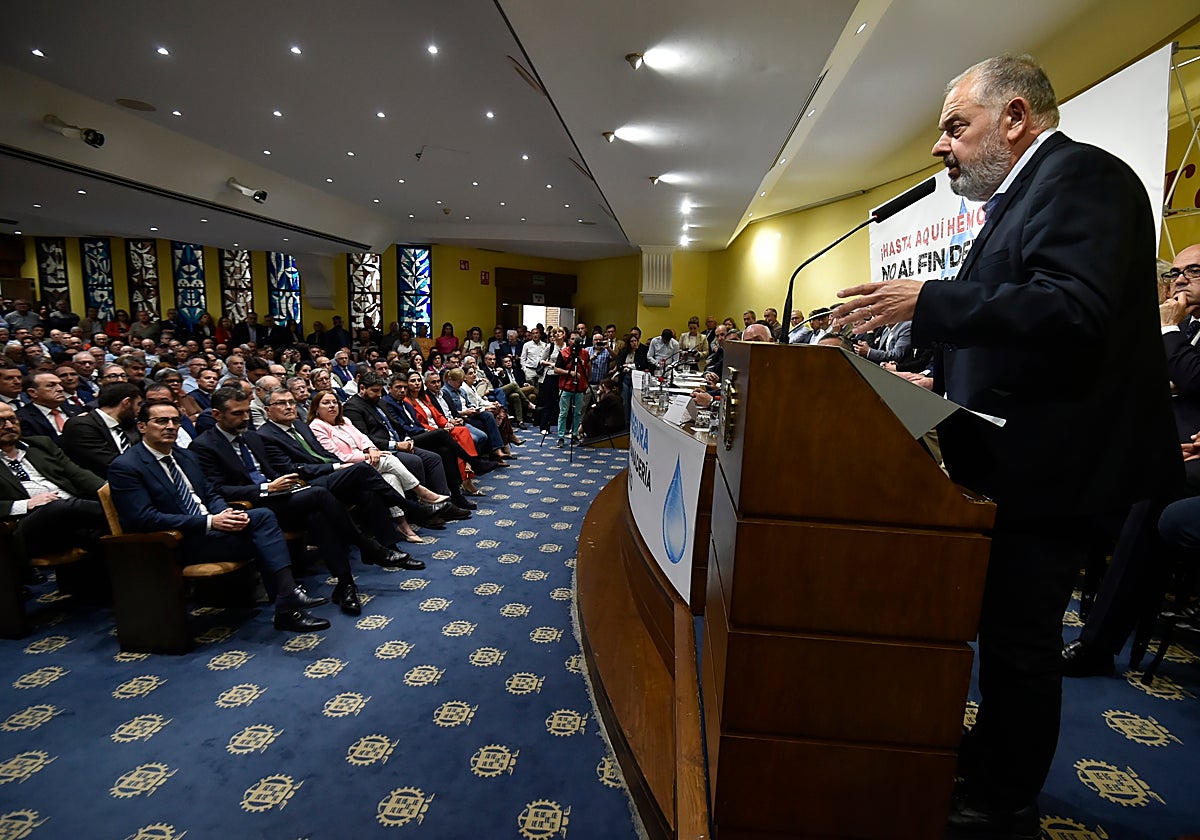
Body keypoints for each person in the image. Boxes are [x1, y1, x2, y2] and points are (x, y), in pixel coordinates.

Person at [832, 54, 1178, 837]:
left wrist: (934, 299)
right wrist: (941, 386)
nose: (938, 146)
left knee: (1020, 640)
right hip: (1014, 455)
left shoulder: (1085, 178)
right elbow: (1022, 329)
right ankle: (991, 761)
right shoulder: (1026, 199)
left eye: (955, 126)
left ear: (1015, 118)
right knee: (1002, 630)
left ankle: (1003, 794)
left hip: (1056, 469)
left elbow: (1071, 309)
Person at [108, 401, 330, 632]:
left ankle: (287, 596)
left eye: (175, 421)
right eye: (162, 421)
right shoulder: (126, 466)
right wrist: (210, 522)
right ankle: (288, 601)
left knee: (263, 516)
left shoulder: (185, 456)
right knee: (266, 537)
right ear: (142, 426)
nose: (171, 426)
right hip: (177, 541)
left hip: (212, 528)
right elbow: (143, 518)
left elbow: (210, 492)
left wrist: (225, 512)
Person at [0, 401, 108, 572]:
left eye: (12, 419)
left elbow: (77, 473)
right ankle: (120, 511)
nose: (8, 426)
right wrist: (25, 504)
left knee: (97, 534)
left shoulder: (40, 444)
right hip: (30, 524)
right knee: (58, 507)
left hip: (73, 515)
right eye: (1, 421)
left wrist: (108, 490)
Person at [59, 382, 142, 479]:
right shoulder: (81, 426)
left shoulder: (128, 423)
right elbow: (110, 464)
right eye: (138, 404)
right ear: (126, 403)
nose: (139, 409)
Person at [553, 333, 590, 447]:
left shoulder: (584, 353)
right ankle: (561, 437)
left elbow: (588, 367)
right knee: (563, 413)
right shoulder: (564, 353)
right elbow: (556, 369)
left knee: (577, 413)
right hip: (566, 386)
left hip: (580, 387)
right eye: (573, 339)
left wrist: (587, 380)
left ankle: (574, 435)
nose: (575, 342)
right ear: (569, 340)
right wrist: (570, 373)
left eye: (577, 339)